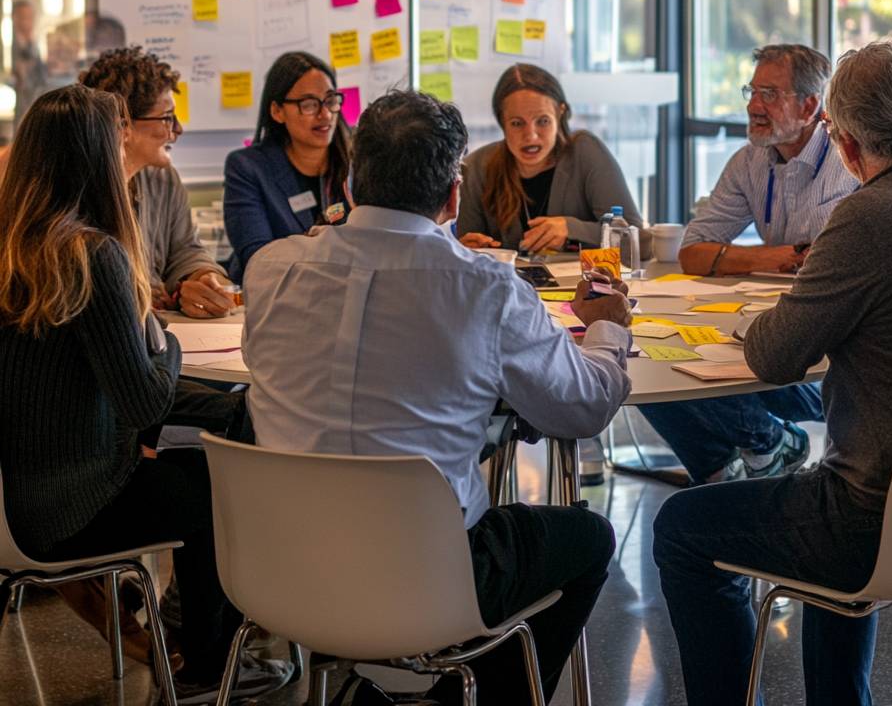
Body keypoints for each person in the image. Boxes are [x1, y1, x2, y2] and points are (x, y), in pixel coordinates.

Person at [653, 41, 892, 706]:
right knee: (827, 485)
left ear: (845, 143)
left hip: (877, 523)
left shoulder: (870, 215)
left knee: (681, 529)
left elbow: (771, 356)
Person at [242, 89, 633, 706]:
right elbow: (584, 408)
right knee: (587, 537)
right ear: (454, 195)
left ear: (349, 183)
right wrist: (608, 327)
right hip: (427, 579)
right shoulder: (486, 289)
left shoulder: (269, 269)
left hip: (277, 571)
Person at [0, 86, 291, 704]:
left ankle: (193, 627)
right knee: (219, 478)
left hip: (18, 500)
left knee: (224, 425)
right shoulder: (90, 253)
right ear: (96, 157)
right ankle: (208, 665)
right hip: (77, 502)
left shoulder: (16, 249)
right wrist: (168, 344)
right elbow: (144, 404)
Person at [639, 44, 855, 484]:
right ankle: (741, 463)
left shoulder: (847, 162)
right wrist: (776, 257)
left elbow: (826, 263)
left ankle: (766, 447)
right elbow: (694, 249)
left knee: (677, 369)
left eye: (770, 94)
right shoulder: (750, 163)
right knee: (644, 360)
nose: (754, 106)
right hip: (764, 328)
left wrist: (735, 259)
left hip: (826, 361)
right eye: (752, 91)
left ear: (810, 105)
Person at [80, 47, 234, 319]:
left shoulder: (163, 178)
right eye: (167, 118)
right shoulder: (75, 188)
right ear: (123, 126)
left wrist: (203, 279)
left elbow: (186, 249)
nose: (178, 130)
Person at [457, 63, 649, 256]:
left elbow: (641, 243)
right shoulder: (475, 169)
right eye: (517, 123)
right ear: (502, 122)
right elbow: (464, 255)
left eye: (543, 121)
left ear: (560, 113)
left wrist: (571, 229)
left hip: (582, 286)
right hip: (506, 286)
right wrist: (464, 250)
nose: (531, 136)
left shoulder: (586, 152)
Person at [223, 51, 352, 283]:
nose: (325, 114)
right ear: (277, 111)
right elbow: (258, 258)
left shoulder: (359, 162)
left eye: (331, 100)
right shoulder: (248, 168)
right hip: (275, 299)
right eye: (309, 104)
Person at [9, 0, 47, 129]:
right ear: (14, 18)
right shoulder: (9, 43)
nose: (27, 21)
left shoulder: (35, 44)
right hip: (20, 101)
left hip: (34, 100)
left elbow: (41, 76)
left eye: (30, 17)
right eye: (23, 16)